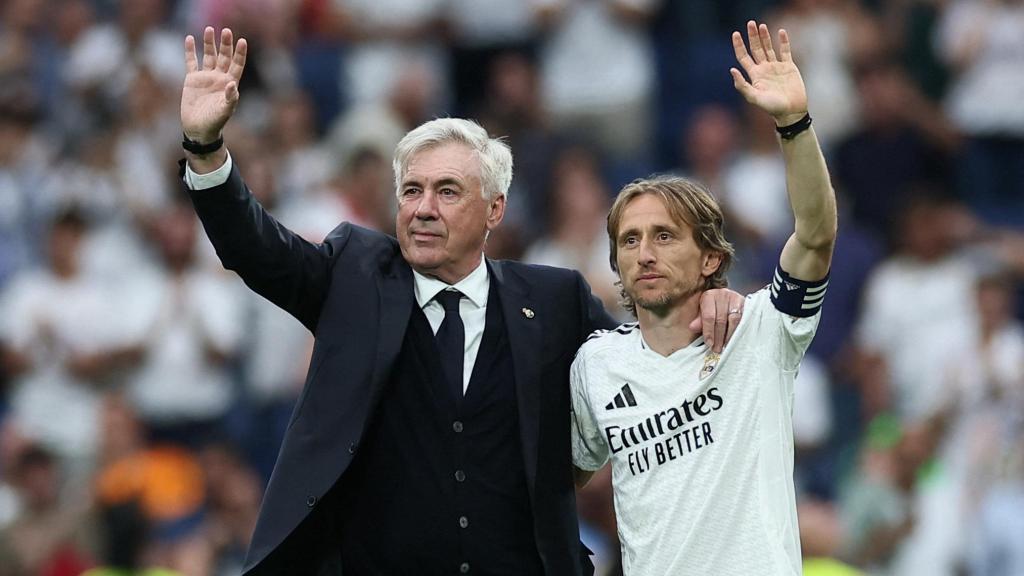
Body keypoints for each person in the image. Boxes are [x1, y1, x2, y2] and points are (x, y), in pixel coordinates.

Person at [178, 27, 745, 575]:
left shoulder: (554, 301)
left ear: (495, 209)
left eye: (447, 191)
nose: (424, 208)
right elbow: (256, 248)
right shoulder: (354, 275)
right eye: (411, 191)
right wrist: (205, 149)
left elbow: (648, 362)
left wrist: (711, 303)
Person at [571, 21, 837, 575]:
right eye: (629, 240)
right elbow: (559, 476)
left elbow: (814, 235)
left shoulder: (761, 330)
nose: (645, 253)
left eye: (665, 236)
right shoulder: (595, 364)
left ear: (712, 258)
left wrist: (792, 123)